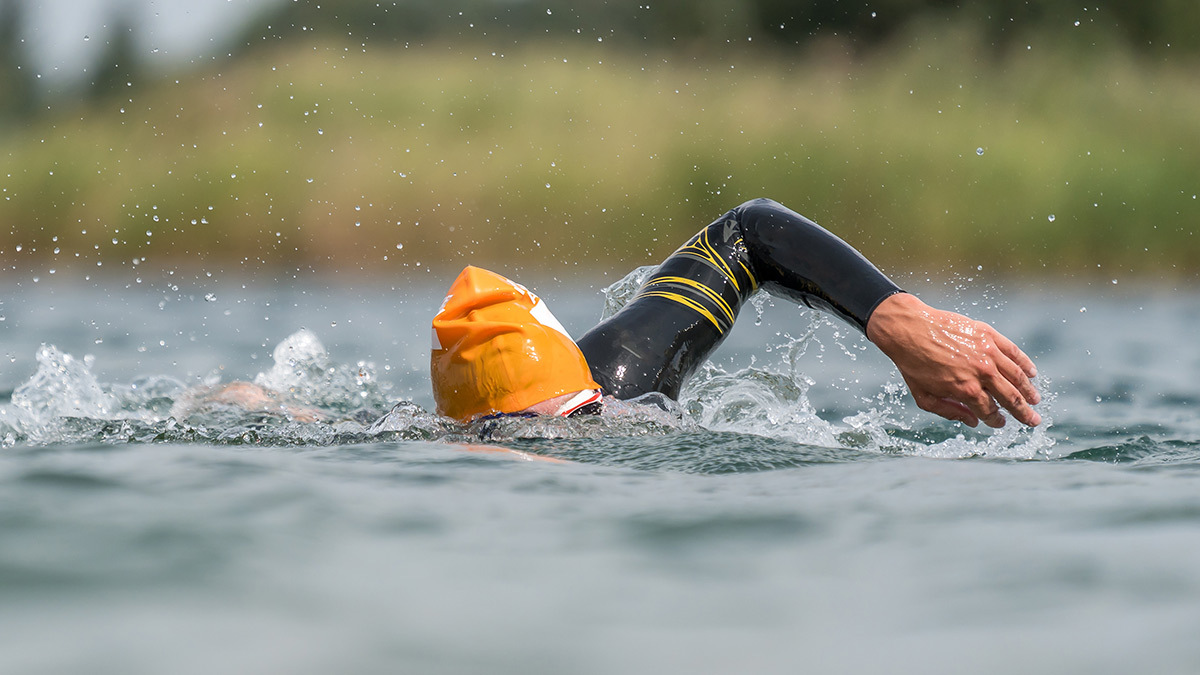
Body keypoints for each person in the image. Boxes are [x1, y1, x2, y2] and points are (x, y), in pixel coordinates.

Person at [431, 198, 1041, 428]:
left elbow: (748, 232)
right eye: (555, 421)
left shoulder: (620, 375)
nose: (594, 421)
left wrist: (894, 317)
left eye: (583, 406)